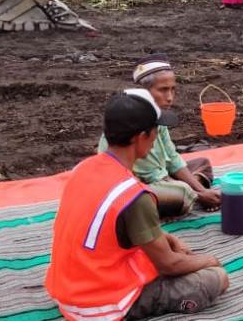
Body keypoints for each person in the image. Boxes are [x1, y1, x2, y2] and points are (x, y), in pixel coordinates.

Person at [46, 89, 229, 319]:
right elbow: (169, 265)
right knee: (216, 278)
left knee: (170, 247)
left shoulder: (83, 168)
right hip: (97, 306)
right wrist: (209, 260)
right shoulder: (134, 196)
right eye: (156, 131)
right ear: (142, 136)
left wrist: (168, 239)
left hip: (65, 289)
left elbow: (119, 227)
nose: (156, 138)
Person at [98, 54, 220, 218]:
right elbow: (151, 174)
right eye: (163, 90)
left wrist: (201, 190)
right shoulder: (134, 121)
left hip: (158, 175)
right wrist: (197, 193)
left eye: (172, 89)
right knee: (181, 194)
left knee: (203, 163)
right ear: (145, 91)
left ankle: (189, 193)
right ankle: (191, 198)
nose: (170, 97)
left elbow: (171, 157)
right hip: (133, 184)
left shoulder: (158, 116)